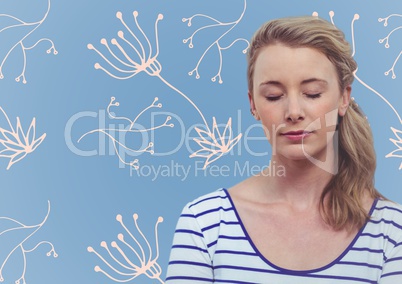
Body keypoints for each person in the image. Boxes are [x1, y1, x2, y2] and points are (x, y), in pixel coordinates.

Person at [165, 15, 402, 283]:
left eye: (312, 93)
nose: (293, 112)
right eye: (273, 96)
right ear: (253, 104)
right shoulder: (204, 223)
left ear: (344, 98)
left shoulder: (392, 231)